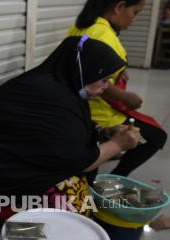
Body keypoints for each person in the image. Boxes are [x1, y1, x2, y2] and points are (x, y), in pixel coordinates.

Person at [0, 36, 140, 219]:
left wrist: (103, 131)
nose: (106, 86)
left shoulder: (61, 86)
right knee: (72, 198)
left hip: (6, 164)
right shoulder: (50, 97)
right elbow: (80, 161)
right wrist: (118, 144)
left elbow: (65, 131)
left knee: (77, 187)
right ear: (84, 70)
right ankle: (20, 228)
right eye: (103, 79)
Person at [69, 0, 167, 176]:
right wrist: (124, 96)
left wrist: (118, 71)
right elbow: (93, 81)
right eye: (135, 12)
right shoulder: (103, 36)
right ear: (119, 7)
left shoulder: (84, 27)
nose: (134, 19)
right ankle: (117, 178)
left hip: (80, 107)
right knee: (155, 136)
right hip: (97, 114)